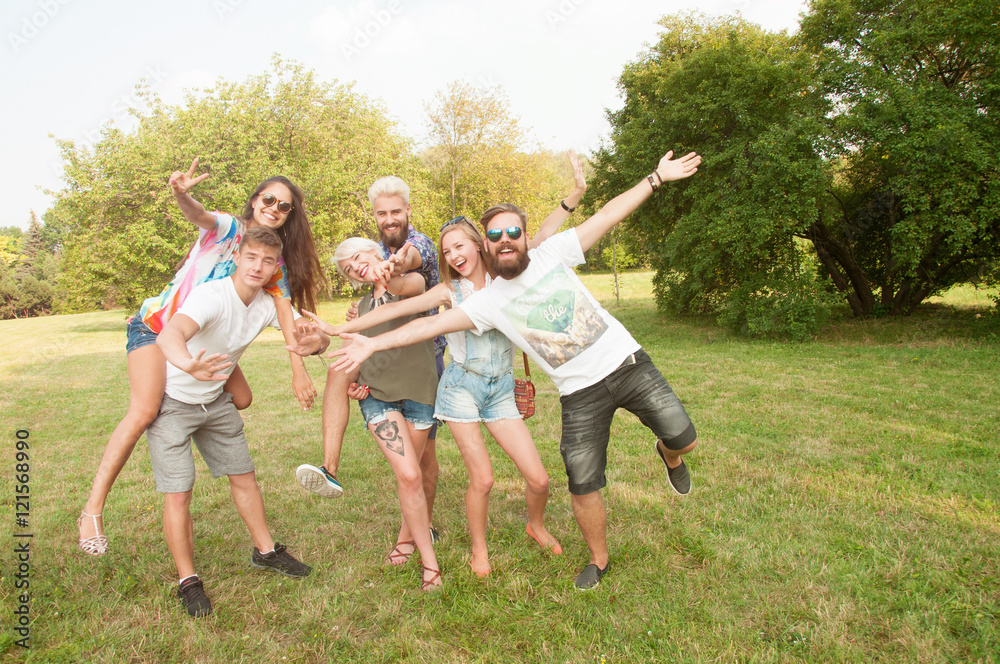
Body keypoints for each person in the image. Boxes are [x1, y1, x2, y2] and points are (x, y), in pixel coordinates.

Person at [328, 149, 702, 591]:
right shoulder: (473, 297)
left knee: (655, 447)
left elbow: (600, 218)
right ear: (482, 244)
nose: (502, 240)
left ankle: (647, 466)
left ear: (503, 240)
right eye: (451, 250)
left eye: (510, 233)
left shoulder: (543, 255)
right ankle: (536, 554)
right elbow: (423, 318)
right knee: (527, 480)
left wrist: (647, 180)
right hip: (514, 390)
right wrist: (359, 334)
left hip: (569, 375)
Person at [304, 152, 588, 577]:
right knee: (483, 479)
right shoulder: (445, 292)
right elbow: (391, 307)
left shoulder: (506, 276)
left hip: (497, 389)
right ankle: (478, 550)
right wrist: (334, 327)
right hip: (458, 389)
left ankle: (536, 525)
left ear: (479, 244)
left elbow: (540, 235)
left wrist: (574, 196)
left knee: (540, 480)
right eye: (447, 250)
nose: (454, 255)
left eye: (461, 246)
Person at [77, 158, 324, 557]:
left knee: (242, 399)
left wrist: (302, 364)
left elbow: (283, 313)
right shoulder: (231, 229)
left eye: (284, 206)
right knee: (144, 411)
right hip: (159, 328)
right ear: (255, 199)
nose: (274, 208)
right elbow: (201, 215)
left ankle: (208, 409)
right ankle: (92, 510)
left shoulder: (270, 260)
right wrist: (181, 193)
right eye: (269, 199)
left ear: (290, 216)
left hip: (205, 342)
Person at [151, 226, 326, 617]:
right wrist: (187, 364)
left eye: (267, 261)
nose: (258, 267)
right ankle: (188, 581)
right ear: (238, 258)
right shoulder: (211, 296)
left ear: (273, 267)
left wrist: (318, 343)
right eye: (251, 257)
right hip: (173, 401)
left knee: (243, 476)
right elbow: (170, 335)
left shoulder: (267, 304)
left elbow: (308, 336)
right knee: (179, 493)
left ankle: (266, 551)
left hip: (215, 402)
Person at [296, 175, 445, 539]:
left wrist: (389, 270)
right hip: (385, 374)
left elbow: (407, 264)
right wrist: (319, 345)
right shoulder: (363, 300)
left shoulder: (414, 248)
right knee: (339, 371)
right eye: (382, 213)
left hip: (427, 361)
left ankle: (419, 526)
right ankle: (330, 465)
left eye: (396, 210)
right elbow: (354, 341)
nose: (390, 217)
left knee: (425, 460)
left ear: (408, 210)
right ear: (375, 217)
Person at [331, 236, 443, 590]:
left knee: (413, 474)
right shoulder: (360, 309)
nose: (355, 267)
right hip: (377, 397)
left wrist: (389, 268)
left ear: (375, 251)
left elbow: (408, 275)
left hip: (421, 393)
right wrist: (354, 386)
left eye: (358, 257)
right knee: (409, 475)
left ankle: (406, 537)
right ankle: (431, 566)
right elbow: (353, 356)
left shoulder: (412, 286)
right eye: (348, 268)